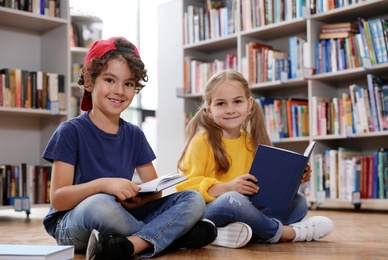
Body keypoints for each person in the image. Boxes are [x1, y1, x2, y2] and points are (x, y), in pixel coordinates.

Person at [42, 36, 217, 259]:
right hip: (73, 223)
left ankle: (131, 244)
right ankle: (172, 237)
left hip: (123, 215)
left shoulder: (134, 134)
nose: (119, 91)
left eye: (128, 84)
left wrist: (138, 199)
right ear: (88, 81)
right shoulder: (70, 131)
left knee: (193, 199)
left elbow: (155, 191)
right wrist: (103, 185)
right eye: (109, 80)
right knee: (101, 204)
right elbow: (58, 198)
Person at [175, 69, 333, 249]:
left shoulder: (253, 142)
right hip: (211, 211)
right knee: (233, 200)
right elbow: (185, 187)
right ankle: (286, 233)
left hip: (248, 209)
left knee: (299, 202)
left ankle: (229, 233)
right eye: (221, 104)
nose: (230, 110)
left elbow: (265, 189)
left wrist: (296, 179)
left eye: (237, 102)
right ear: (209, 110)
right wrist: (228, 187)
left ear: (249, 104)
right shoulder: (202, 141)